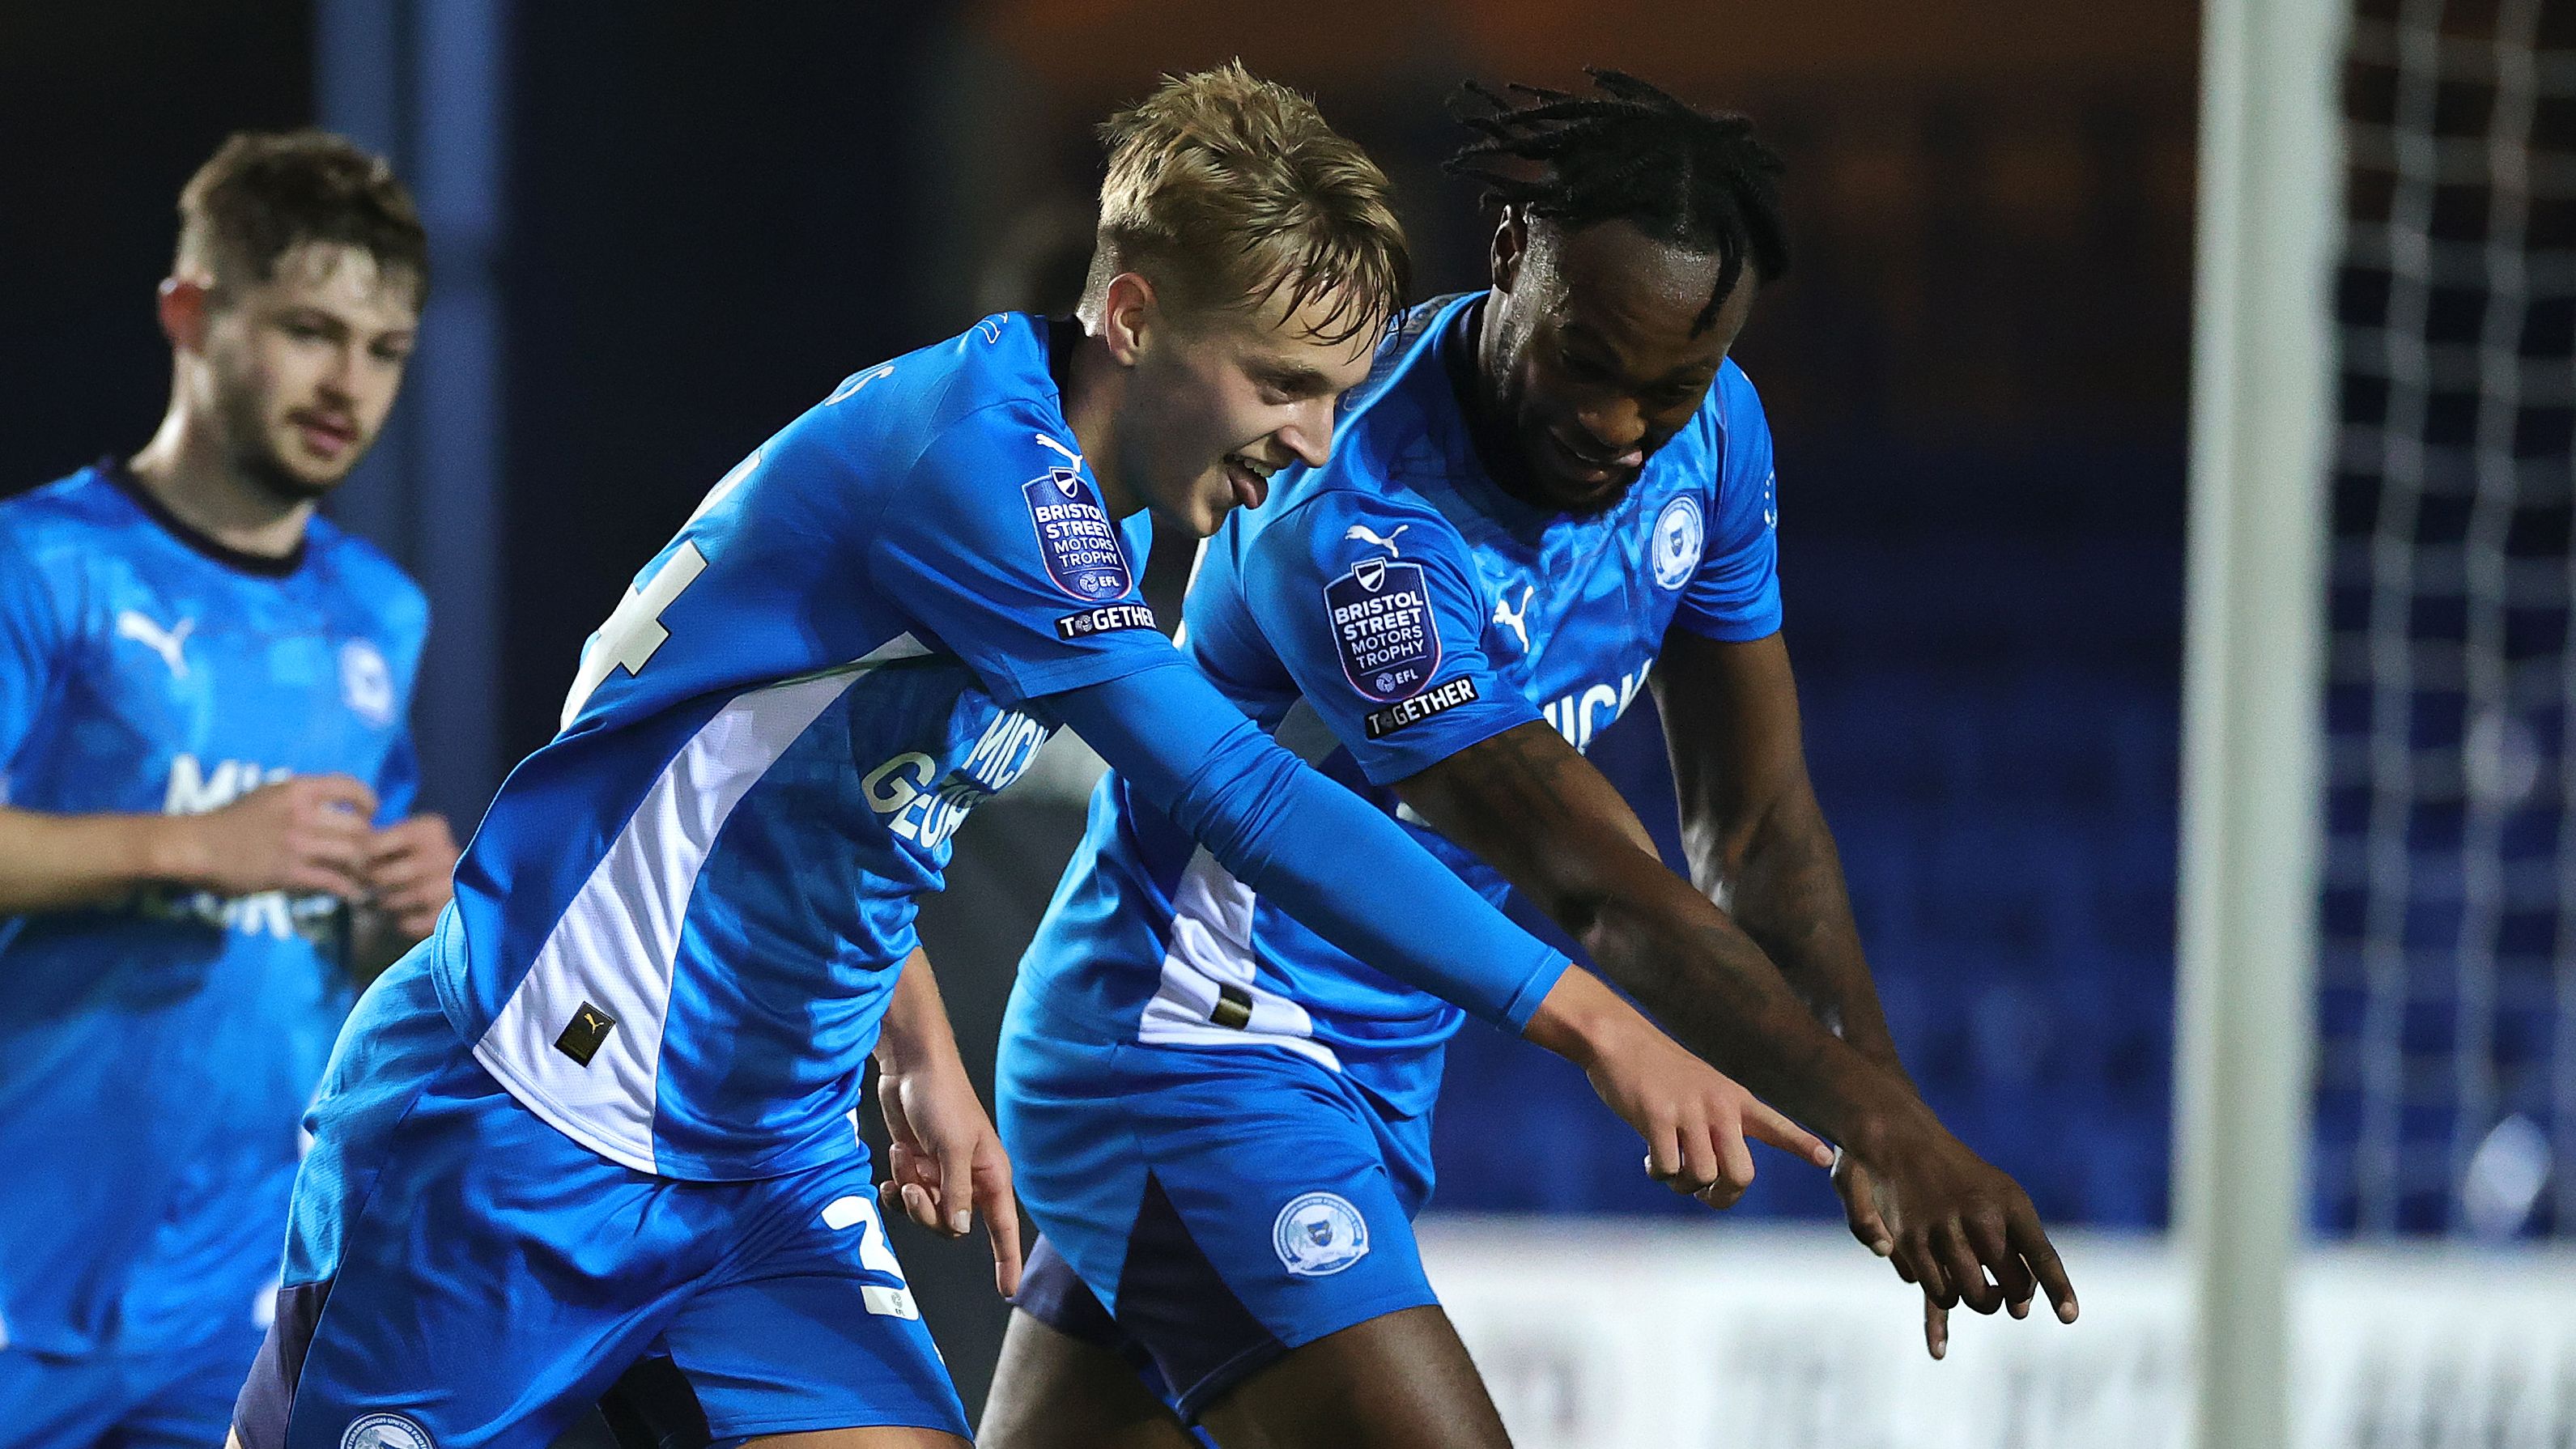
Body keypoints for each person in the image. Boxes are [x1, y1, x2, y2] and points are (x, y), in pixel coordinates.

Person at [229, 64, 1820, 1449]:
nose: (1311, 444)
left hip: (761, 1169)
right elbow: (1244, 789)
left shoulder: (1078, 496)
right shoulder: (981, 472)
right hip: (523, 1117)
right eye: (1280, 383)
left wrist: (909, 1033)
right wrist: (1587, 1016)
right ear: (1132, 315)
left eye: (1337, 397)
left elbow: (776, 768)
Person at [981, 71, 2081, 1449]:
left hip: (1363, 1078)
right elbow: (1585, 880)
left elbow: (1752, 826)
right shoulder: (1354, 509)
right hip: (1192, 1051)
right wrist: (1877, 1123)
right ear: (1510, 252)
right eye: (1585, 362)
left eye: (1666, 387)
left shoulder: (1715, 439)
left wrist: (1888, 1117)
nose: (1619, 424)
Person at [0, 131, 454, 1449]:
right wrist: (193, 844)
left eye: (385, 351)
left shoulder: (380, 612)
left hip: (232, 1288)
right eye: (311, 331)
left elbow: (324, 929)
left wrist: (401, 918)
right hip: (29, 1261)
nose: (348, 384)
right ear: (190, 313)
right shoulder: (43, 564)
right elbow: (226, 852)